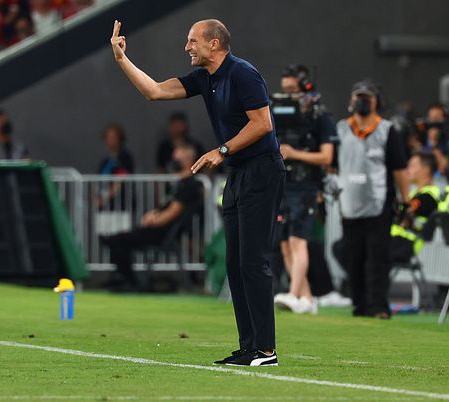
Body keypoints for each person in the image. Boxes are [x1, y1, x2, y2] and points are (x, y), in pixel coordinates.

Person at [111, 19, 284, 366]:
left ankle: (266, 350)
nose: (187, 47)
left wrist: (221, 151)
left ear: (214, 43)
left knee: (253, 262)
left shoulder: (243, 73)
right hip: (238, 173)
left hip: (262, 171)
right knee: (235, 265)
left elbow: (263, 124)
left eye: (192, 41)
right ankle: (249, 346)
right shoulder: (206, 78)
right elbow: (154, 91)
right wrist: (121, 60)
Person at [336, 80, 408, 319]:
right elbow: (332, 165)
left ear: (378, 102)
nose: (362, 101)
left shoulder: (388, 130)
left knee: (378, 258)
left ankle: (378, 306)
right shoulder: (341, 129)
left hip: (380, 203)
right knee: (353, 257)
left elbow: (399, 168)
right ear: (350, 101)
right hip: (349, 203)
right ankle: (359, 304)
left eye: (368, 97)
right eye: (358, 96)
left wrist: (405, 198)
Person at [273, 65, 335, 315]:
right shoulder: (279, 114)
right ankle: (306, 298)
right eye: (284, 90)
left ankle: (294, 293)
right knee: (286, 244)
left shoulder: (320, 116)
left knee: (298, 242)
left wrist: (294, 153)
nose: (288, 96)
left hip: (306, 186)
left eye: (293, 90)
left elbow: (327, 157)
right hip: (284, 185)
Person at [101, 143, 202, 291]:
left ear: (188, 161)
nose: (173, 163)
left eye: (177, 159)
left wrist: (154, 221)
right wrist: (152, 215)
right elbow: (166, 207)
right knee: (116, 241)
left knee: (117, 240)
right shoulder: (178, 184)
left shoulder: (190, 185)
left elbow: (173, 212)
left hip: (163, 232)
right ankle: (125, 279)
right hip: (156, 229)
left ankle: (130, 281)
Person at [390, 150, 440, 264]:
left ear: (426, 169)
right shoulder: (415, 194)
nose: (407, 169)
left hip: (403, 244)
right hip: (395, 241)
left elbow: (402, 216)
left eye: (412, 166)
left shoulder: (429, 196)